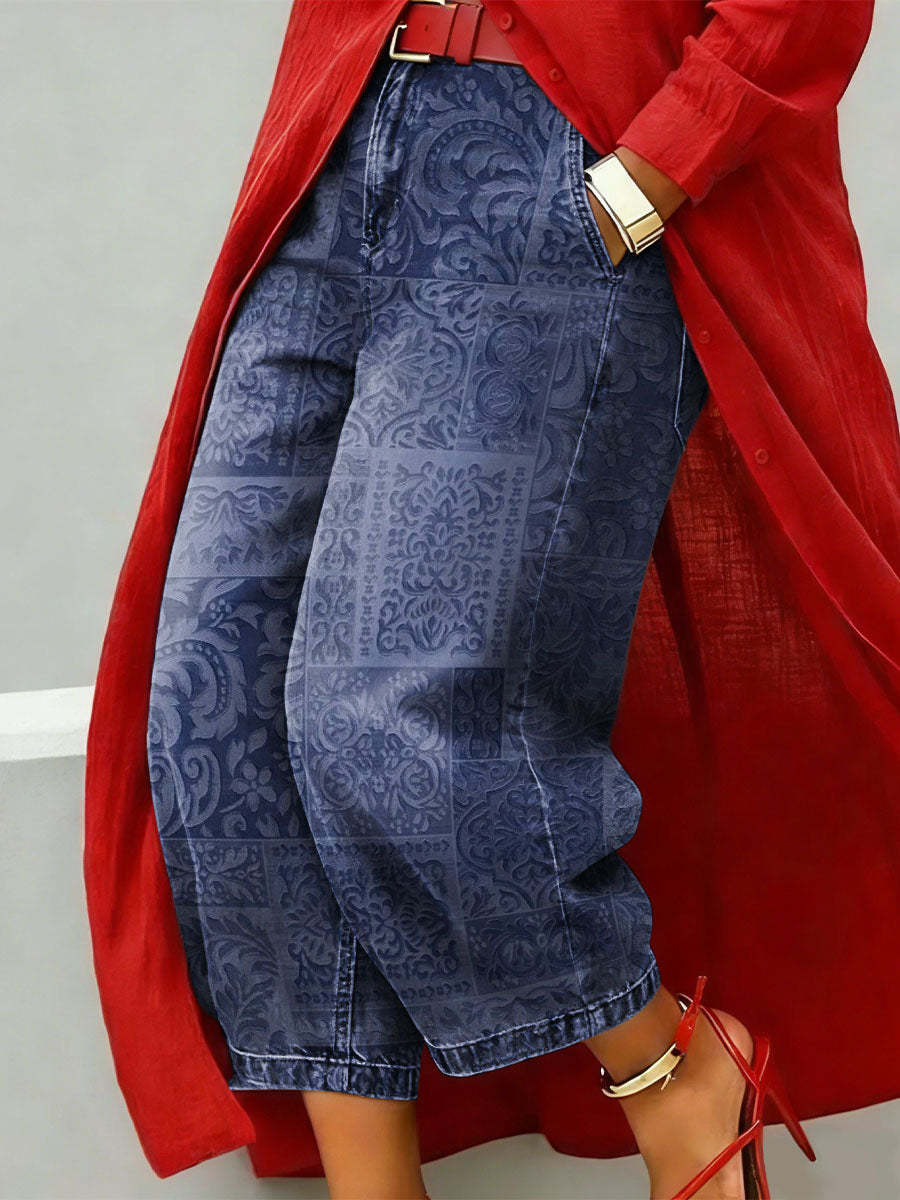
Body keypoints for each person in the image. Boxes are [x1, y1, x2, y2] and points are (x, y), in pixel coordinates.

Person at [84, 3, 900, 1199]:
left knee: (384, 713)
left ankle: (672, 1073)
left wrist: (651, 171)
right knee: (223, 707)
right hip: (344, 128)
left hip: (551, 146)